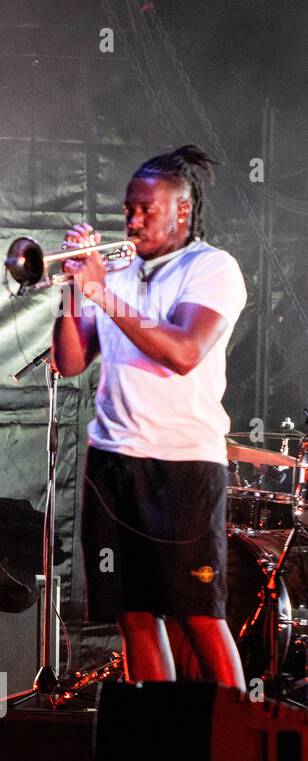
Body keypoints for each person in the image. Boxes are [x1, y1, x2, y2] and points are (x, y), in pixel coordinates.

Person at [52, 145, 246, 689]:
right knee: (134, 614)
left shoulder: (212, 269)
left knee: (200, 615)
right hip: (112, 461)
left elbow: (183, 352)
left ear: (182, 212)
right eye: (127, 209)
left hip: (183, 464)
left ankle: (232, 747)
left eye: (146, 210)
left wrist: (100, 291)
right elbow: (70, 361)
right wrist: (73, 290)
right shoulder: (114, 271)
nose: (132, 221)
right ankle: (154, 745)